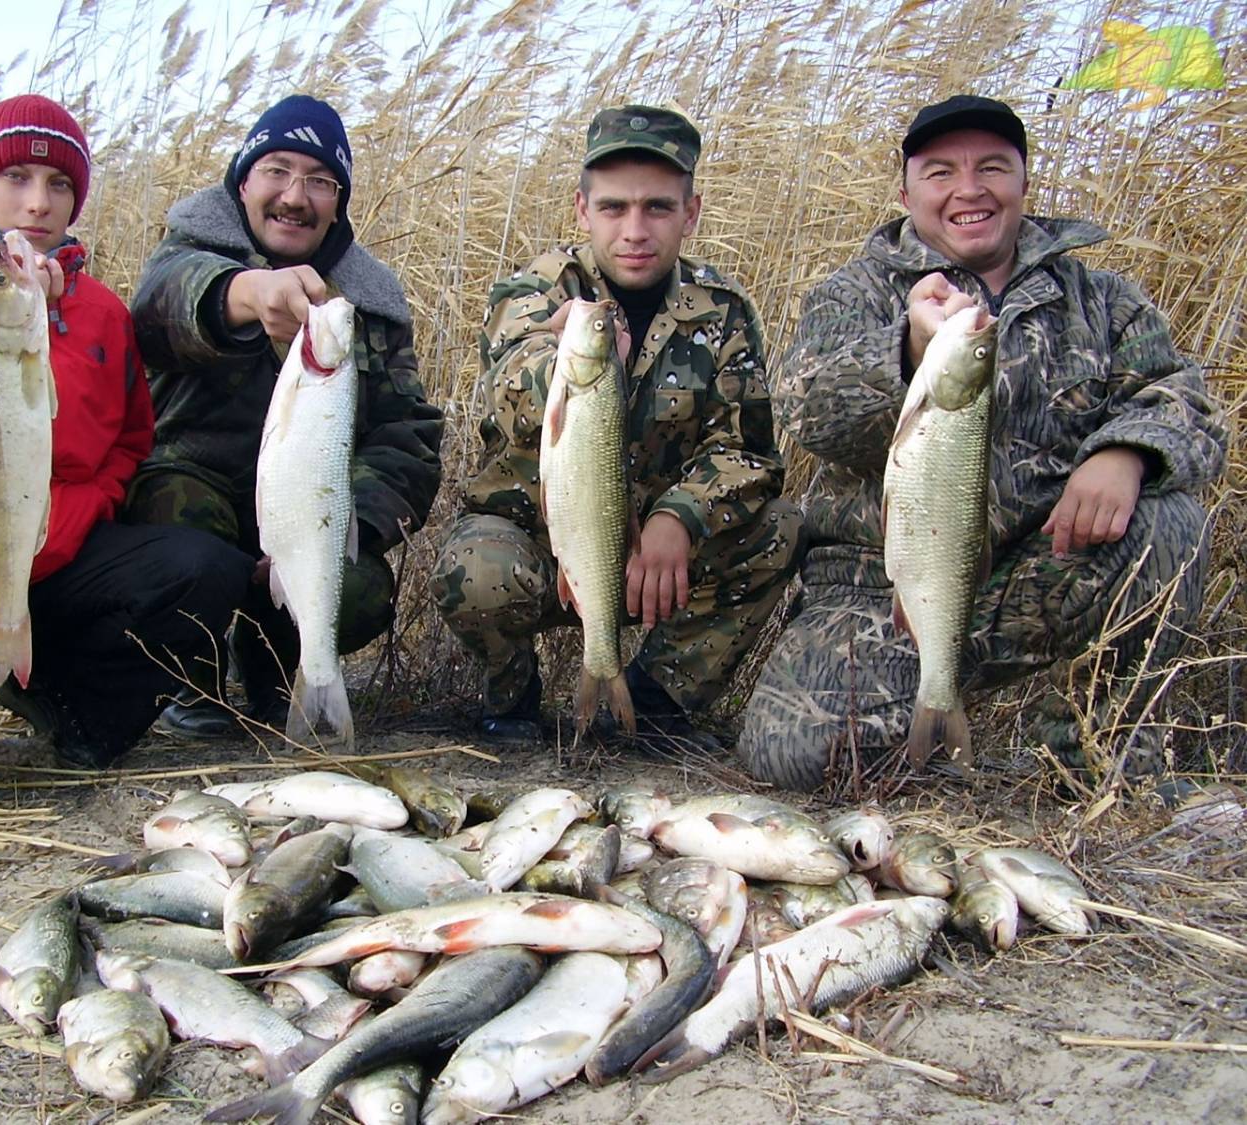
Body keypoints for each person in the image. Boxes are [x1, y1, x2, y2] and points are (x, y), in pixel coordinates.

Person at [738, 95, 1226, 791]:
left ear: (1024, 181)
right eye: (940, 172)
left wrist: (1127, 452)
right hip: (884, 589)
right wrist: (908, 348)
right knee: (792, 757)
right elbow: (806, 410)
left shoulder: (1101, 298)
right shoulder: (856, 293)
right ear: (905, 191)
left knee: (1167, 520)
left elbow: (1190, 401)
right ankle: (942, 744)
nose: (969, 189)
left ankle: (1097, 764)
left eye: (992, 167)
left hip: (1033, 576)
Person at [0, 95, 249, 796]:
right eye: (18, 179)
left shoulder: (102, 311)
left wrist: (87, 507)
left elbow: (129, 438)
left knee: (206, 567)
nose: (38, 201)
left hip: (52, 555)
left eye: (59, 184)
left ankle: (72, 711)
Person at [432, 104, 805, 747]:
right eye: (613, 208)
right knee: (475, 565)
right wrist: (559, 363)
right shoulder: (537, 291)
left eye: (658, 208)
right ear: (582, 210)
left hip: (655, 564)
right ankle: (512, 700)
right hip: (544, 548)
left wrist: (680, 517)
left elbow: (748, 453)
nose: (635, 229)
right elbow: (510, 402)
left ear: (690, 214)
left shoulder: (724, 313)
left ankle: (648, 702)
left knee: (780, 529)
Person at [123, 95, 443, 736]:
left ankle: (284, 679)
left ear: (339, 201)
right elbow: (156, 314)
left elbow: (408, 436)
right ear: (243, 181)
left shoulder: (371, 301)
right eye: (277, 170)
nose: (296, 196)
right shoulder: (187, 250)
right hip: (198, 498)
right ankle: (194, 682)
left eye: (320, 182)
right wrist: (244, 294)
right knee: (176, 534)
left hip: (310, 512)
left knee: (354, 591)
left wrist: (348, 526)